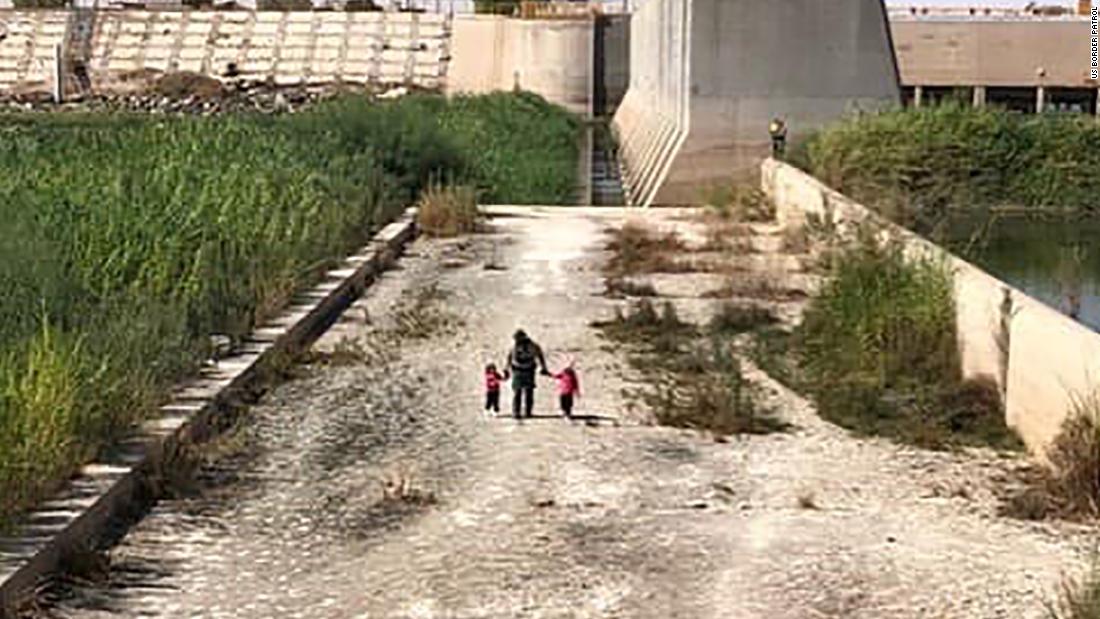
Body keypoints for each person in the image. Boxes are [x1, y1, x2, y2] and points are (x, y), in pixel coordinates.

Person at [504, 329, 549, 419]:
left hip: (529, 369)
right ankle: (516, 412)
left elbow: (540, 355)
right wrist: (506, 369)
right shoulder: (514, 346)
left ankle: (528, 411)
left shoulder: (533, 345)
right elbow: (509, 357)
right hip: (517, 370)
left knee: (529, 392)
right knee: (517, 392)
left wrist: (543, 367)